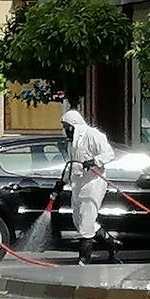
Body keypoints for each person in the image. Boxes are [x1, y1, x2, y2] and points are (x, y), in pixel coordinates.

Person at [55, 110, 119, 265]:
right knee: (78, 220)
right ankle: (110, 243)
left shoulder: (93, 135)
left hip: (93, 183)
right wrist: (61, 182)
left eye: (66, 127)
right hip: (78, 183)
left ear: (73, 126)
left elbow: (109, 154)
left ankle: (84, 258)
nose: (65, 130)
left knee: (86, 219)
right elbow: (72, 164)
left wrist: (93, 161)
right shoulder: (72, 143)